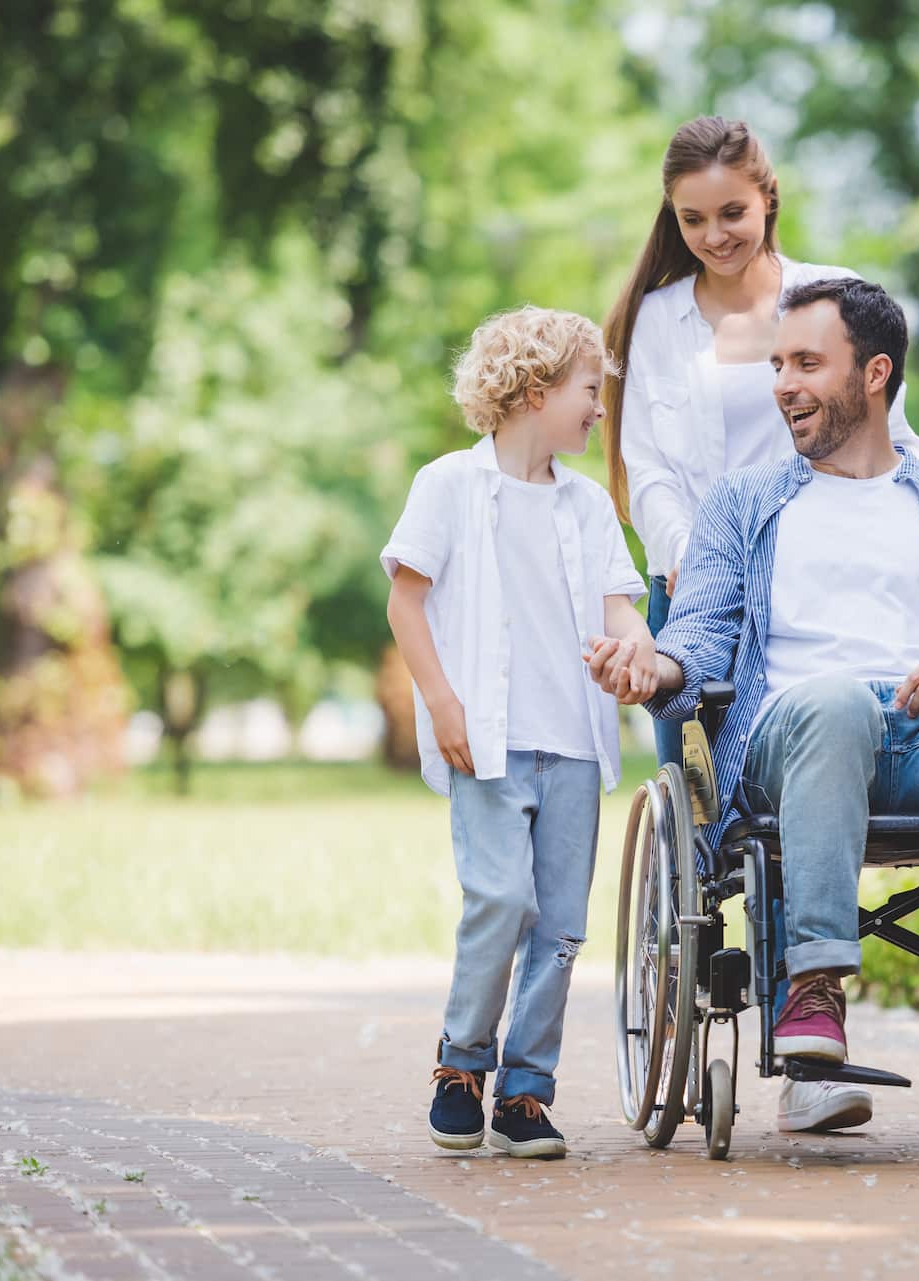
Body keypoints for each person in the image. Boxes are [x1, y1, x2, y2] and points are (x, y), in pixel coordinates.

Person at [589, 278, 919, 1093]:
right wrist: (655, 666)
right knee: (834, 699)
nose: (782, 383)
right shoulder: (743, 504)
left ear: (875, 373)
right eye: (777, 363)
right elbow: (700, 637)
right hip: (798, 740)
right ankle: (811, 985)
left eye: (806, 363)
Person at [601, 114, 919, 1133]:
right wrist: (697, 555)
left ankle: (811, 1060)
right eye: (692, 219)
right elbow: (644, 466)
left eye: (731, 213)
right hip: (700, 585)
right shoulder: (659, 320)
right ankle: (719, 992)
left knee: (802, 794)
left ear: (768, 195)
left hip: (820, 583)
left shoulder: (828, 294)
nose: (715, 235)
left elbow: (888, 428)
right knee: (718, 830)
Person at [383, 306, 651, 1160]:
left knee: (561, 926)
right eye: (588, 390)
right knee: (502, 899)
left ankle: (526, 1091)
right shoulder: (448, 487)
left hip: (573, 740)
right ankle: (462, 1063)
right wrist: (442, 702)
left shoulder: (588, 506)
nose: (598, 409)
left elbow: (620, 608)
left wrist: (635, 647)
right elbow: (406, 600)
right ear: (536, 391)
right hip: (487, 741)